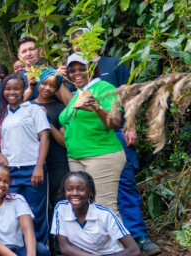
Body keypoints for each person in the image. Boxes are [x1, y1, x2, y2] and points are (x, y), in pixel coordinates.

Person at [69, 28, 159, 255]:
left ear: (94, 41)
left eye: (84, 40)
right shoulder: (75, 72)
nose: (80, 45)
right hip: (86, 142)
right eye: (75, 42)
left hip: (116, 132)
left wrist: (131, 126)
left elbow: (128, 97)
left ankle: (139, 236)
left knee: (125, 184)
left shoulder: (113, 63)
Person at [59, 53, 125, 221]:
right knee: (84, 209)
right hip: (76, 157)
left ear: (92, 68)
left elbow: (115, 122)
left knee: (105, 209)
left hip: (101, 155)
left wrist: (96, 107)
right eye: (72, 70)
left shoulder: (105, 87)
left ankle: (121, 240)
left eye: (82, 68)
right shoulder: (78, 94)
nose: (77, 73)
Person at [0, 74, 50, 244]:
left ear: (23, 89)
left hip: (32, 168)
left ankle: (39, 248)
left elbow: (45, 138)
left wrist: (39, 166)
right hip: (10, 171)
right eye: (8, 89)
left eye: (16, 88)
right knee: (12, 211)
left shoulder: (34, 110)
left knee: (36, 212)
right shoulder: (1, 115)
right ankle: (18, 247)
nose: (12, 92)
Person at [51, 171, 141, 256]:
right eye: (69, 189)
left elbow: (134, 250)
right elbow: (65, 247)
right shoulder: (61, 208)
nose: (74, 193)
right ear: (65, 191)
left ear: (90, 192)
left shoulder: (105, 214)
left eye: (81, 189)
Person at [0, 164, 49, 256]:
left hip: (15, 249)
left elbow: (28, 230)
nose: (1, 184)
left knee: (40, 250)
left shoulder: (18, 200)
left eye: (6, 181)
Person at [31, 69, 69, 208]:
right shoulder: (28, 107)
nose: (47, 88)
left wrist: (46, 120)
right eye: (44, 84)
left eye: (52, 86)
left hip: (58, 162)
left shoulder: (61, 109)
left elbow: (64, 142)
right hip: (34, 162)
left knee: (60, 200)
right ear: (39, 83)